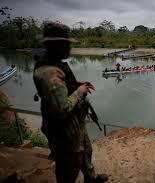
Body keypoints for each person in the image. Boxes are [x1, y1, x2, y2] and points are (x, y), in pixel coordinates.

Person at [33, 22, 108, 183]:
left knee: (86, 151)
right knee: (69, 166)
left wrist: (77, 85)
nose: (69, 47)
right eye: (66, 44)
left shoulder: (54, 65)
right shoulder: (49, 73)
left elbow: (61, 87)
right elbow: (61, 109)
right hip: (64, 132)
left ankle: (91, 178)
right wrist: (79, 92)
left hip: (75, 124)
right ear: (55, 45)